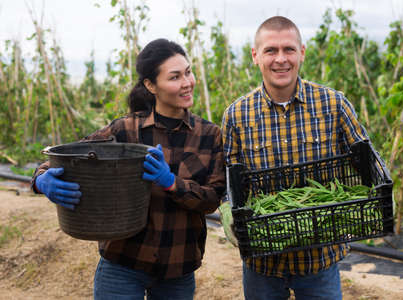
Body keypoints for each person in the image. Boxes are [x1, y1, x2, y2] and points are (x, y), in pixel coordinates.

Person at [31, 38, 226, 300]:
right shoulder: (125, 131)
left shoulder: (209, 135)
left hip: (177, 269)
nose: (187, 82)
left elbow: (213, 199)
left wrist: (171, 183)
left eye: (188, 72)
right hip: (122, 265)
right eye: (175, 77)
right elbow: (65, 156)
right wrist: (42, 180)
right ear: (150, 85)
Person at [220, 16, 369, 300]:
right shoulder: (236, 115)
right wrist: (227, 208)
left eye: (288, 49)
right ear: (255, 56)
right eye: (270, 50)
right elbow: (227, 178)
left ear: (302, 52)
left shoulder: (333, 104)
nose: (281, 59)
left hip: (319, 257)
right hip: (262, 260)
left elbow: (364, 159)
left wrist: (378, 188)